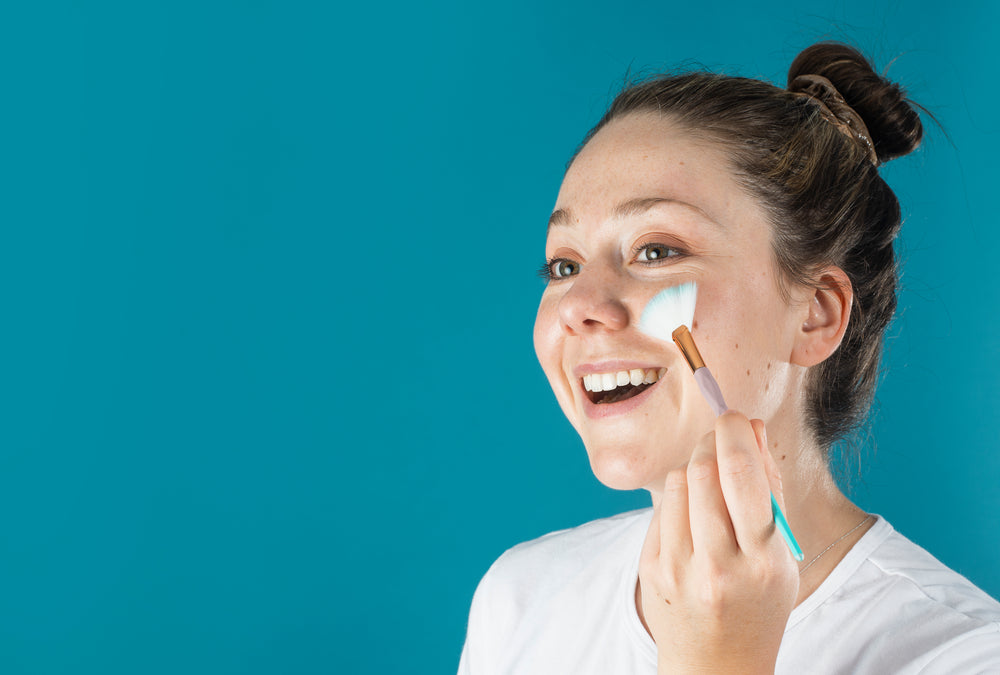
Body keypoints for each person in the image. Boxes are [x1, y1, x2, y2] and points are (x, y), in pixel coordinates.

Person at [457, 42, 1000, 674]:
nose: (580, 303)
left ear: (815, 312)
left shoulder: (962, 657)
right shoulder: (522, 598)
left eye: (656, 251)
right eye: (564, 264)